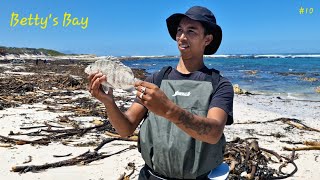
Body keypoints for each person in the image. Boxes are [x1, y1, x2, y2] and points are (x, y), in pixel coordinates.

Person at [88, 6, 234, 180]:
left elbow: (213, 133)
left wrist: (168, 110)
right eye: (179, 30)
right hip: (152, 176)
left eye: (191, 31)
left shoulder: (219, 84)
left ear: (207, 39)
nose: (181, 37)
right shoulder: (156, 79)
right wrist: (108, 102)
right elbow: (125, 129)